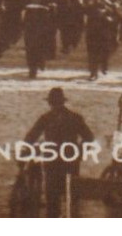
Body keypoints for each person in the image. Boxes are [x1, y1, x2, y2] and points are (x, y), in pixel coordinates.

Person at [22, 88, 95, 218]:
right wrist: (79, 152)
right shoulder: (75, 118)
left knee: (52, 201)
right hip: (71, 162)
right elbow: (89, 138)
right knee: (71, 197)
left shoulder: (46, 118)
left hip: (52, 162)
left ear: (50, 103)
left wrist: (25, 149)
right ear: (63, 102)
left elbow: (31, 137)